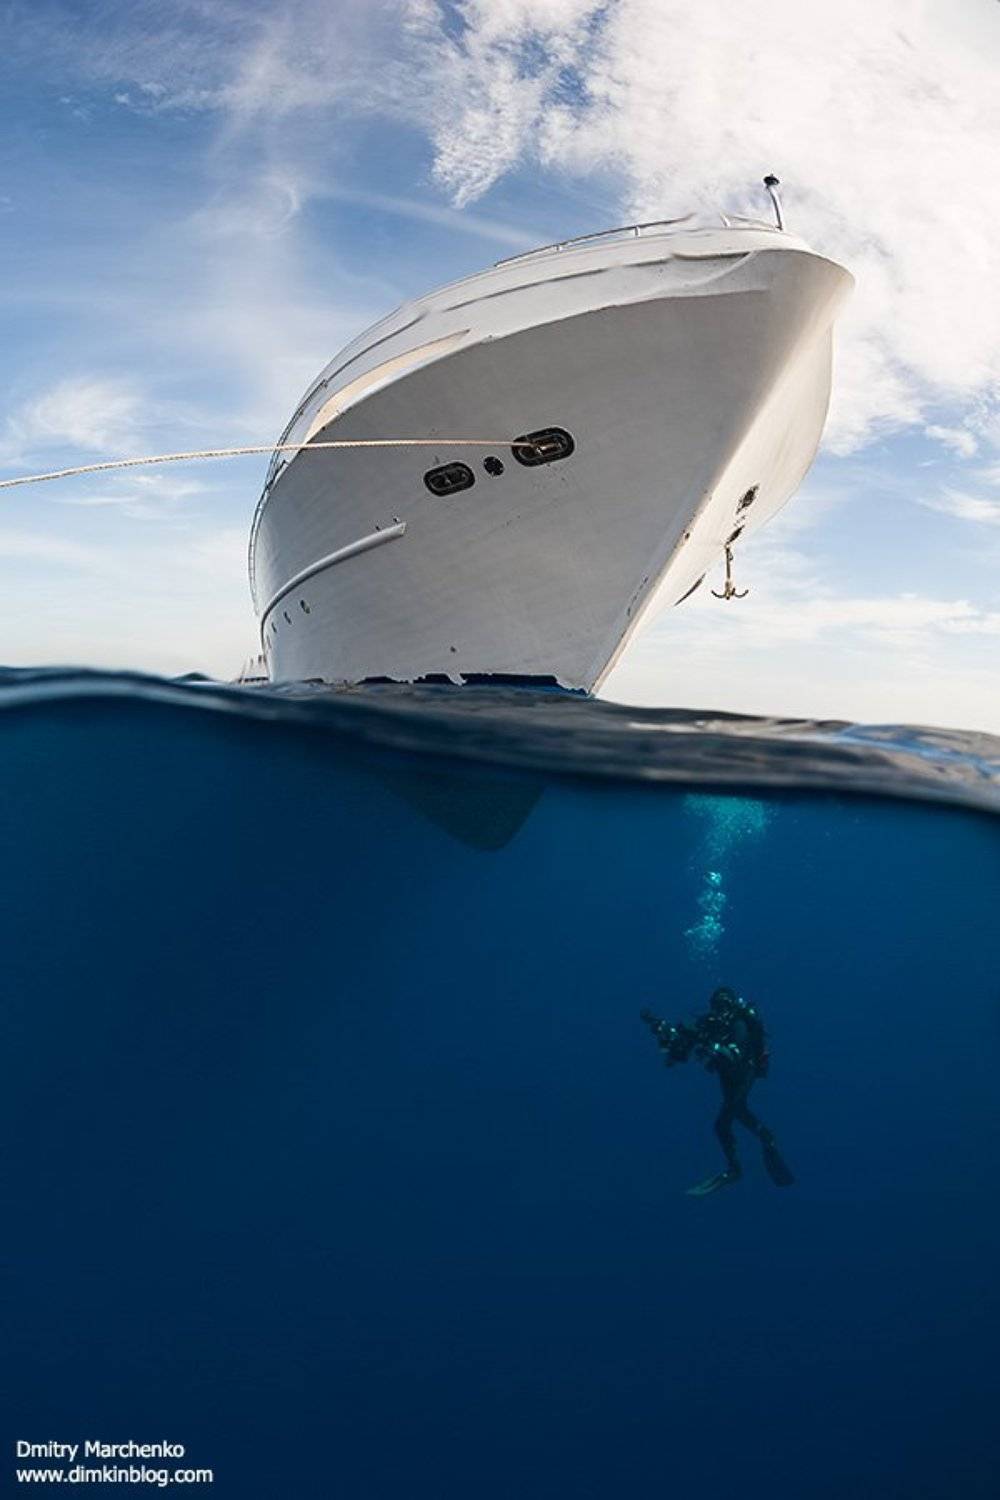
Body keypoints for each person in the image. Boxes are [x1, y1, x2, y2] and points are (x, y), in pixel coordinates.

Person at [640, 986, 794, 1196]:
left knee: (728, 1117)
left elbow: (736, 1055)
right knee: (731, 1117)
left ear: (732, 1006)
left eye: (724, 1005)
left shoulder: (739, 1024)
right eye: (717, 1005)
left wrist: (711, 1046)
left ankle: (736, 1168)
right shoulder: (709, 1025)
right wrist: (665, 1033)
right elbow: (679, 1053)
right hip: (728, 1075)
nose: (720, 1010)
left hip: (744, 1072)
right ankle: (763, 1142)